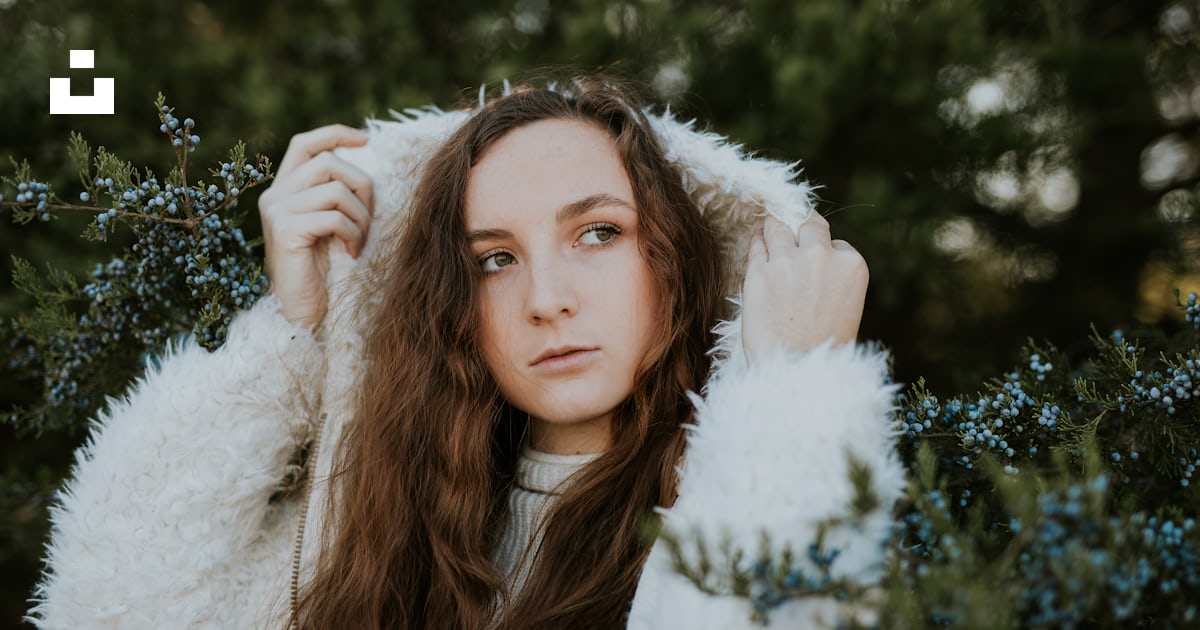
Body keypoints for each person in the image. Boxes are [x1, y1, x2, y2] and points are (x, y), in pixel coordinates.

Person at [28, 78, 903, 629]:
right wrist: (293, 336)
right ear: (452, 303)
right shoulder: (387, 528)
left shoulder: (749, 490)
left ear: (676, 255)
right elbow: (108, 606)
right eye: (495, 258)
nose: (546, 297)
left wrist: (787, 395)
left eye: (598, 232)